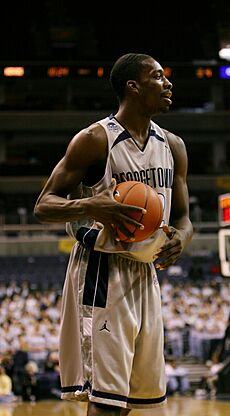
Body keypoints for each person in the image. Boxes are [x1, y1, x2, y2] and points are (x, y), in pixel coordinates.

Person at [34, 53, 193, 416]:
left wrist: (181, 239)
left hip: (145, 274)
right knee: (106, 403)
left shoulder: (174, 146)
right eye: (158, 77)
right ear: (132, 87)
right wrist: (91, 207)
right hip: (101, 273)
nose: (168, 84)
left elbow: (184, 219)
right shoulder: (94, 139)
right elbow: (44, 204)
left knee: (130, 403)